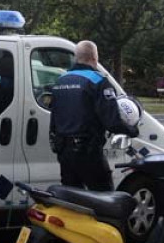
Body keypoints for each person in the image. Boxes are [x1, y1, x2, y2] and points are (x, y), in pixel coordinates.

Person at [49, 40, 139, 191]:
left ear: (76, 57)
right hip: (88, 152)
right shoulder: (98, 81)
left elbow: (54, 119)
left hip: (63, 152)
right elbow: (111, 121)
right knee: (105, 198)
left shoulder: (60, 81)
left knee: (72, 198)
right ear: (95, 57)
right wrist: (132, 130)